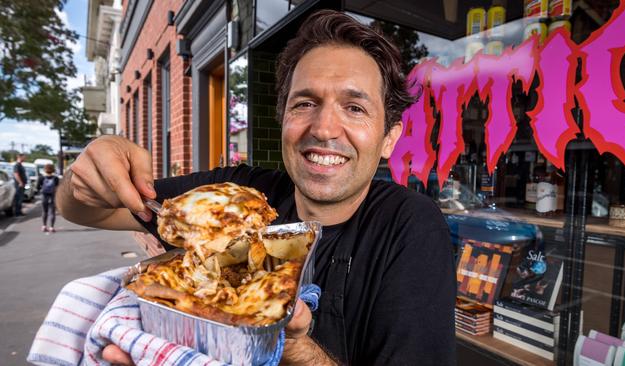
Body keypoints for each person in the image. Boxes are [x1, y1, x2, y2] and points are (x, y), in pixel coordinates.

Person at [57, 10, 456, 365]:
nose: (324, 129)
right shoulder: (235, 196)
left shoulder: (411, 228)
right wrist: (87, 174)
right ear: (283, 118)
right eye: (304, 103)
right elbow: (83, 210)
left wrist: (291, 345)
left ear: (389, 138)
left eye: (354, 108)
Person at [37, 164, 59, 233]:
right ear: (53, 169)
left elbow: (37, 187)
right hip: (52, 196)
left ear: (45, 169)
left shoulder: (41, 178)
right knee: (52, 212)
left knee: (44, 211)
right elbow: (57, 187)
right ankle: (51, 227)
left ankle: (44, 226)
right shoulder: (56, 178)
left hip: (44, 196)